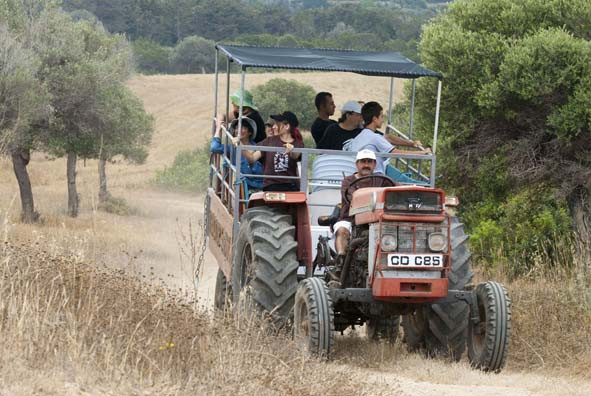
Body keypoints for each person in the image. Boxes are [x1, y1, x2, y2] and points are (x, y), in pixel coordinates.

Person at [330, 149, 396, 282]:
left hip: (375, 219)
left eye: (369, 162)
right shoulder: (348, 181)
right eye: (363, 161)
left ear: (375, 164)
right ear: (357, 164)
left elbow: (396, 189)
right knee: (342, 231)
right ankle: (341, 263)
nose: (366, 164)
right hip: (350, 218)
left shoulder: (381, 180)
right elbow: (353, 196)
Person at [350, 101, 431, 174]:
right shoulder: (375, 137)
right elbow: (396, 153)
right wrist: (422, 152)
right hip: (375, 177)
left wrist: (411, 144)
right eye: (381, 116)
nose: (383, 120)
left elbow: (388, 137)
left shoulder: (360, 136)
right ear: (375, 119)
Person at [242, 111, 304, 192]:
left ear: (286, 126)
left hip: (290, 186)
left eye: (276, 124)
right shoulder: (269, 141)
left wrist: (291, 150)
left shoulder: (297, 143)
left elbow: (295, 155)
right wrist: (240, 144)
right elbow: (252, 158)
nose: (273, 127)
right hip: (271, 186)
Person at [210, 116, 263, 191]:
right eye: (236, 128)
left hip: (260, 187)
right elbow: (214, 147)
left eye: (243, 128)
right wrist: (218, 129)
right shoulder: (232, 149)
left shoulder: (259, 148)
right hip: (242, 190)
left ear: (250, 132)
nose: (238, 131)